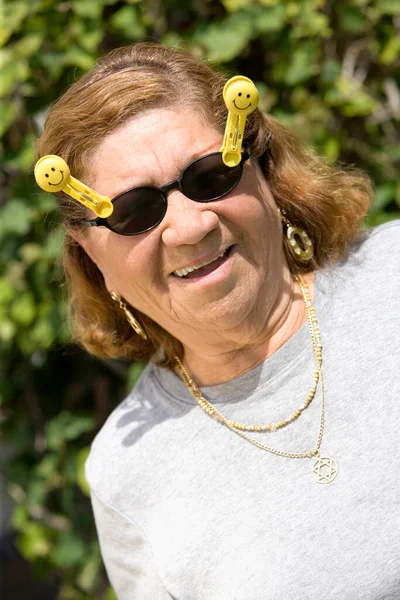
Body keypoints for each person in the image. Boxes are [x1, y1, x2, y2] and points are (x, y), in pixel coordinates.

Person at [36, 43, 400, 599]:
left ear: (263, 172)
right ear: (92, 258)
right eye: (134, 212)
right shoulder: (127, 472)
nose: (188, 227)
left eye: (209, 176)